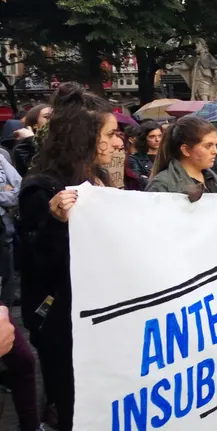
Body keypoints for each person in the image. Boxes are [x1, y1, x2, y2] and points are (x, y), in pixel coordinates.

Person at [18, 82, 123, 431]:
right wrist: (54, 222)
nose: (116, 142)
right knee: (71, 402)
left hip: (101, 314)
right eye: (109, 134)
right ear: (85, 138)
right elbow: (33, 263)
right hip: (61, 322)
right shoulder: (41, 187)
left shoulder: (100, 180)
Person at [146, 116, 217, 195]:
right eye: (208, 146)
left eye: (215, 145)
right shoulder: (161, 184)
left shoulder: (212, 178)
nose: (215, 151)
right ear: (186, 150)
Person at [0, 154, 21, 305]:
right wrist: (3, 190)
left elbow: (19, 190)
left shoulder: (0, 157)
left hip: (3, 226)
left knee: (7, 270)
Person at [128, 120, 162, 188]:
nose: (157, 139)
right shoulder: (135, 159)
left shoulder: (167, 156)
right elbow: (139, 181)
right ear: (144, 138)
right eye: (152, 136)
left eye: (160, 136)